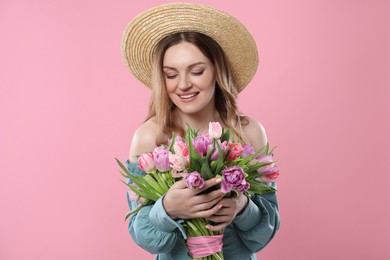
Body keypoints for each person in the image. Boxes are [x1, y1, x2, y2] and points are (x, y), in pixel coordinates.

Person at [121, 3, 280, 259]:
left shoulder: (249, 132)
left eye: (197, 71)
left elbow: (262, 235)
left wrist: (242, 207)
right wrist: (167, 209)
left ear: (217, 70)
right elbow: (143, 236)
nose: (183, 85)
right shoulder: (150, 136)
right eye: (171, 75)